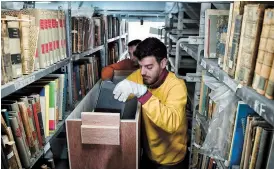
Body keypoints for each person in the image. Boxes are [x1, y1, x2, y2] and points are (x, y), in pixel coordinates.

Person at [113, 37, 188, 169]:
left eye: (148, 67)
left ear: (163, 63)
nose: (142, 72)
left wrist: (144, 94)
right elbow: (123, 92)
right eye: (140, 66)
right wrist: (122, 87)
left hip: (170, 161)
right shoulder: (140, 75)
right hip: (148, 154)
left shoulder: (176, 86)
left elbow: (172, 123)